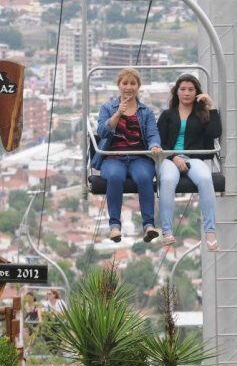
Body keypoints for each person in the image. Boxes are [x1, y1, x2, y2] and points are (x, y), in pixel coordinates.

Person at [93, 68, 167, 243]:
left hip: (138, 156)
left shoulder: (145, 111)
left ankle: (148, 224)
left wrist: (154, 145)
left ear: (138, 86)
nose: (128, 87)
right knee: (114, 177)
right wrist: (117, 114)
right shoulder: (107, 107)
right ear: (118, 86)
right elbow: (102, 132)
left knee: (144, 177)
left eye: (133, 83)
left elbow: (152, 133)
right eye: (125, 83)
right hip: (113, 156)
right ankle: (115, 226)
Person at [157, 74, 222, 251]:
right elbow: (159, 142)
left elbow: (215, 132)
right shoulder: (167, 115)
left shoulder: (202, 114)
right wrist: (173, 157)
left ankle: (210, 230)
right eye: (183, 89)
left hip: (194, 157)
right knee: (168, 181)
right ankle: (167, 230)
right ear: (176, 92)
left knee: (205, 179)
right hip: (171, 158)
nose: (186, 93)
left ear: (197, 93)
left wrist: (211, 106)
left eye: (191, 90)